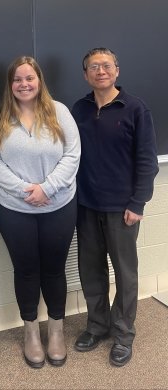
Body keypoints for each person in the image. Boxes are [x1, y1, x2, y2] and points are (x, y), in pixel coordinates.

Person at [0, 56, 81, 368]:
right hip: (13, 207)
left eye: (30, 78)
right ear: (10, 84)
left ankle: (56, 331)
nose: (24, 84)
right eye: (18, 79)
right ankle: (31, 332)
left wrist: (47, 188)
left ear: (39, 80)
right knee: (26, 270)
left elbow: (72, 154)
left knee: (54, 269)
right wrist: (26, 190)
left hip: (59, 205)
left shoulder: (60, 112)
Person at [71, 48, 159, 367]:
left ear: (117, 71)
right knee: (90, 271)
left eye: (106, 65)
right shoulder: (78, 109)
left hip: (122, 209)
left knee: (124, 273)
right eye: (93, 66)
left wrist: (138, 203)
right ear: (85, 75)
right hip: (86, 206)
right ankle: (97, 326)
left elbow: (148, 161)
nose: (100, 71)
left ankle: (123, 334)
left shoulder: (136, 108)